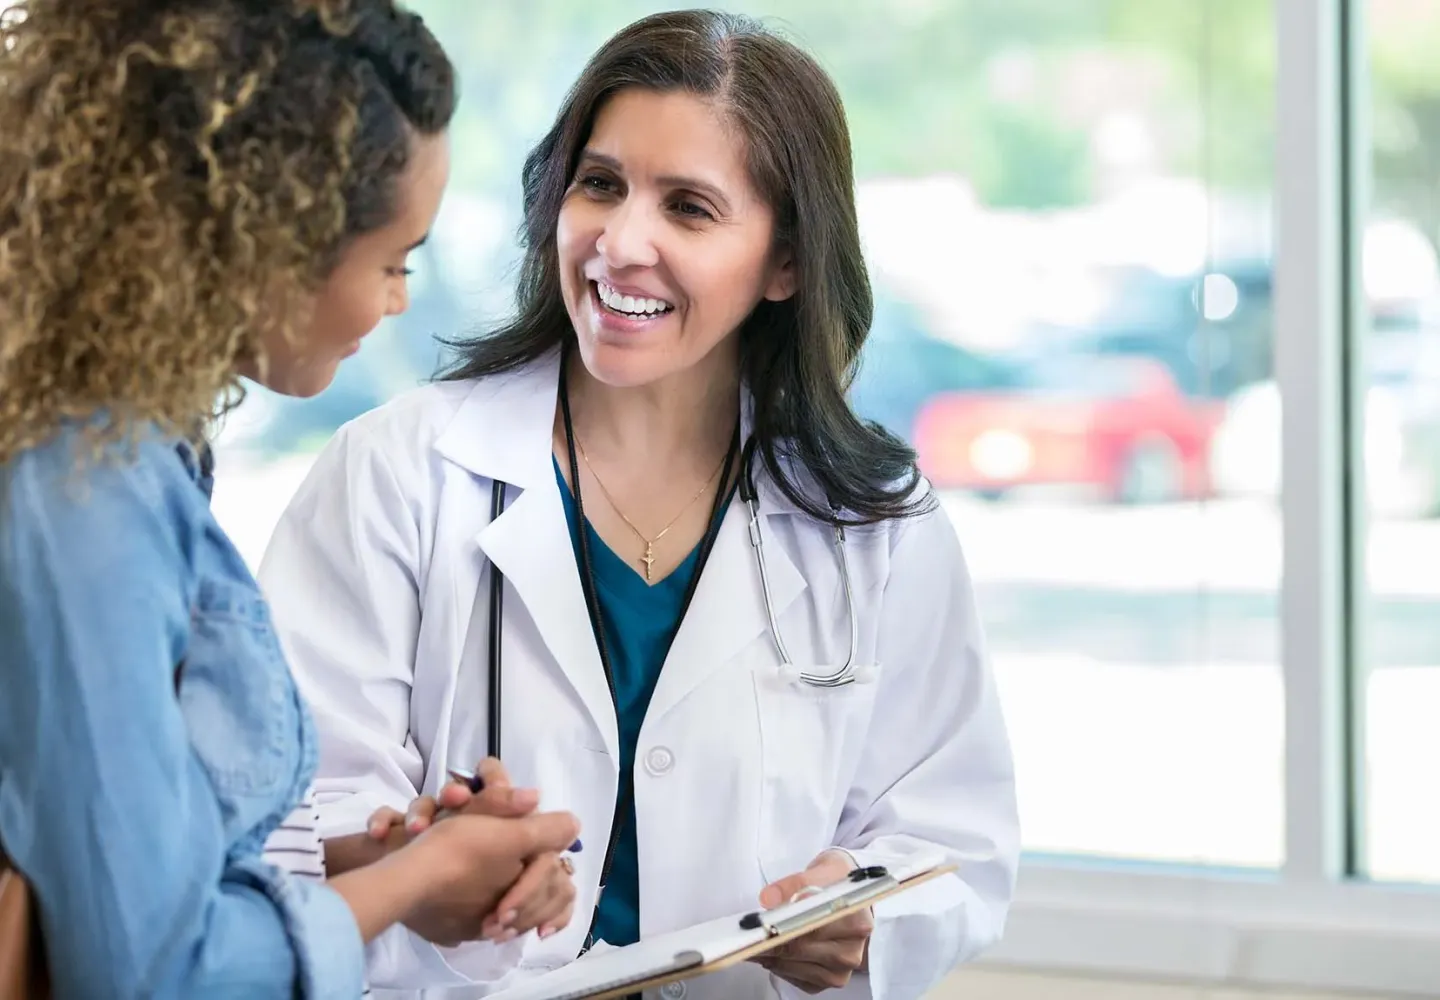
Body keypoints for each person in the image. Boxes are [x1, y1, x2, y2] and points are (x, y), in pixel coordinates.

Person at [259, 8, 1020, 998]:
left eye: (689, 208)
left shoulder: (873, 520)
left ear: (786, 262)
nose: (621, 243)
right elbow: (284, 813)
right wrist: (415, 860)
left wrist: (863, 913)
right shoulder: (395, 472)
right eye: (601, 184)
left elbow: (955, 834)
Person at [0, 1, 580, 997]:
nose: (399, 299)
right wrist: (418, 874)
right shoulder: (88, 490)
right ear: (270, 236)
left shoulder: (133, 447)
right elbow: (152, 972)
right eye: (394, 261)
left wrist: (383, 872)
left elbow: (137, 862)